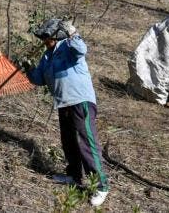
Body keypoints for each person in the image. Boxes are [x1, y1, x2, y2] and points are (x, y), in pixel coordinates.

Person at [19, 19, 110, 207]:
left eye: (47, 36)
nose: (44, 40)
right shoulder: (47, 56)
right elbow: (39, 79)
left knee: (86, 143)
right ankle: (74, 176)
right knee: (68, 141)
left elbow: (81, 50)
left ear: (56, 35)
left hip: (80, 102)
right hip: (64, 104)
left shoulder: (69, 47)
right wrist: (29, 69)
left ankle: (101, 186)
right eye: (43, 37)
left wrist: (72, 33)